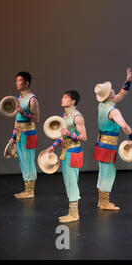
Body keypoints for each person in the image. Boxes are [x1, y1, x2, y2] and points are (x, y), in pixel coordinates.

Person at [93, 68, 132, 211]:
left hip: (101, 143)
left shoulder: (103, 105)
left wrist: (128, 80)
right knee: (108, 173)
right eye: (111, 90)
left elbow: (122, 94)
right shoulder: (113, 110)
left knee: (103, 171)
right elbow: (124, 126)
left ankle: (101, 200)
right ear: (108, 95)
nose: (113, 90)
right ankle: (105, 202)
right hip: (108, 145)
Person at [46, 90, 87, 223]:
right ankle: (71, 212)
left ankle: (74, 213)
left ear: (73, 101)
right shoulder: (64, 115)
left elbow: (84, 137)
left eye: (66, 97)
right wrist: (53, 146)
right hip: (65, 151)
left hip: (73, 152)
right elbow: (62, 135)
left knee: (72, 181)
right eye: (62, 97)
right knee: (68, 181)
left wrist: (70, 134)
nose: (62, 99)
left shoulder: (77, 117)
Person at [10, 72, 40, 199]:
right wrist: (13, 135)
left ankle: (30, 190)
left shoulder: (32, 99)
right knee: (22, 161)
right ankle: (26, 188)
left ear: (26, 83)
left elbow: (36, 119)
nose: (16, 83)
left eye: (19, 81)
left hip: (28, 133)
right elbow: (16, 119)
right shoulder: (19, 98)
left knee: (28, 160)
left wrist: (23, 112)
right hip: (20, 133)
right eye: (16, 81)